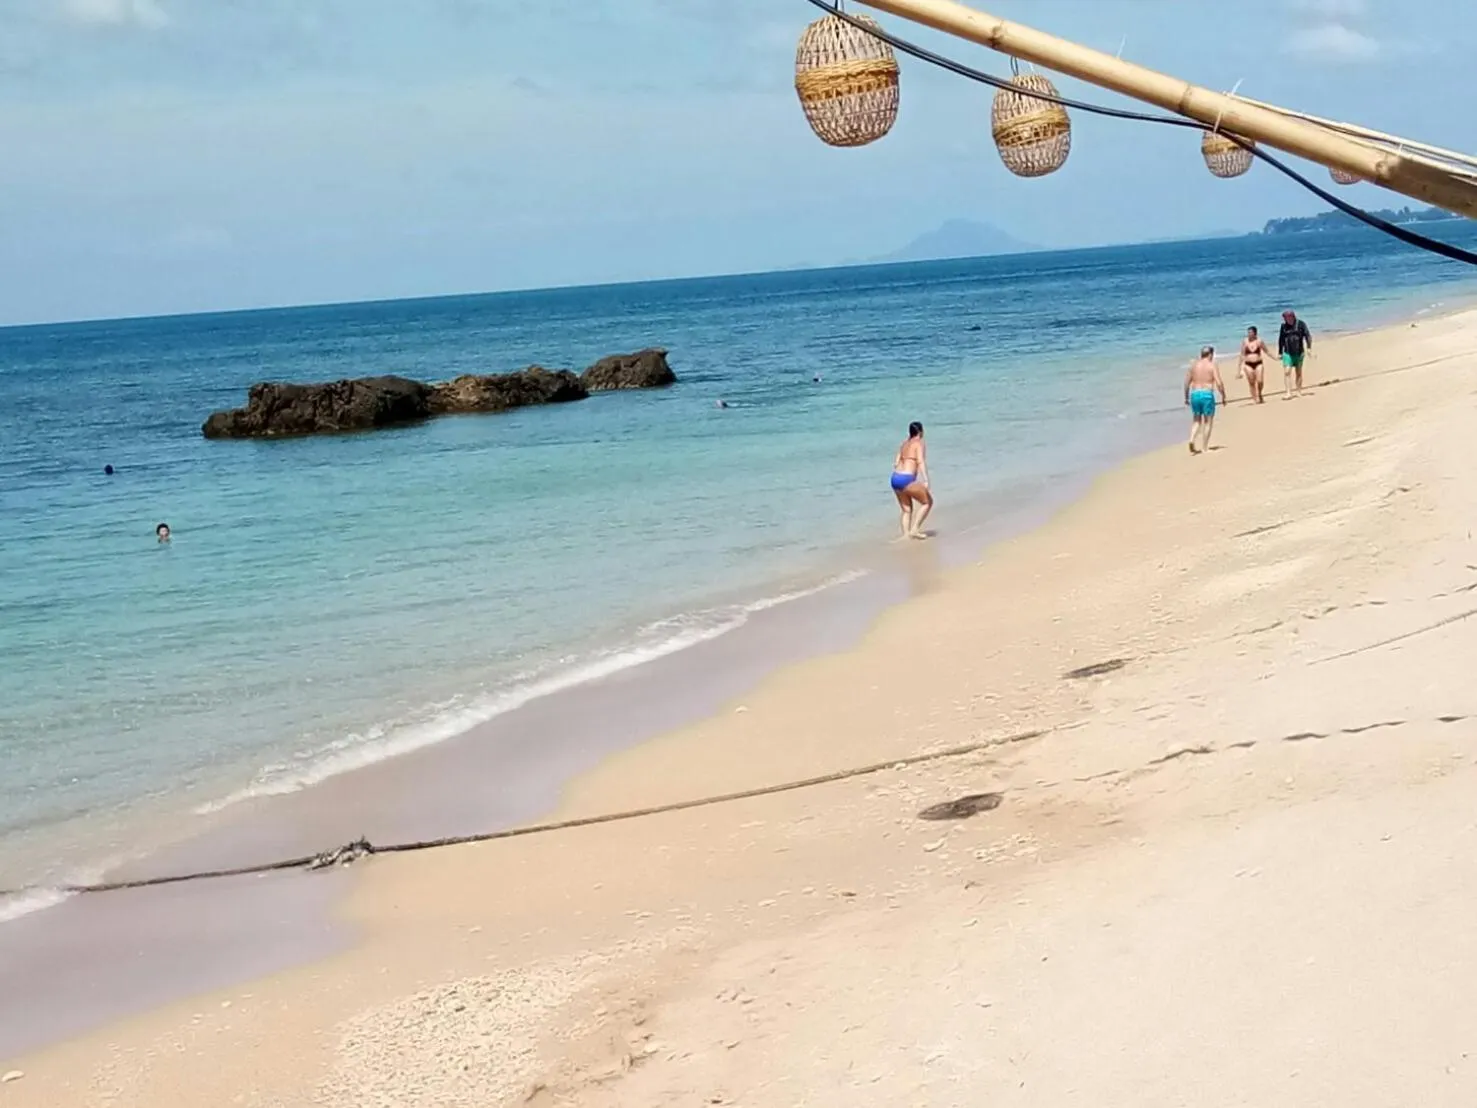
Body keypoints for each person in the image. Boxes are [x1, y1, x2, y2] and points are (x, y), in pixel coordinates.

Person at [890, 421, 933, 540]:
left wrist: (898, 463)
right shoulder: (919, 443)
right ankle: (915, 530)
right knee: (927, 502)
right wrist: (926, 479)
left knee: (906, 510)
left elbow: (896, 460)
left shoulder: (905, 443)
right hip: (906, 478)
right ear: (920, 432)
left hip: (895, 478)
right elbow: (920, 461)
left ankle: (905, 535)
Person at [1184, 346, 1227, 455]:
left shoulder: (1193, 366)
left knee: (1196, 420)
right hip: (1207, 394)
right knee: (1208, 421)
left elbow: (1186, 383)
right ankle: (1204, 447)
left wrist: (1186, 397)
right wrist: (1223, 396)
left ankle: (1192, 439)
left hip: (1194, 394)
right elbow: (1219, 382)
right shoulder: (1212, 365)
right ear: (1210, 354)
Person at [1278, 309, 1313, 398]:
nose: (1287, 319)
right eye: (1285, 317)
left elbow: (1307, 336)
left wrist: (1309, 348)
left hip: (1299, 352)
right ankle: (1288, 393)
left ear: (1293, 316)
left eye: (1289, 317)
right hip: (1287, 352)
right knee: (1287, 372)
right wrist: (1280, 352)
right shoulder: (1283, 326)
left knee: (1298, 372)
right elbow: (1281, 339)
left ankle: (1298, 391)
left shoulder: (1301, 324)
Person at [1237, 325, 1272, 405]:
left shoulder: (1259, 341)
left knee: (1260, 381)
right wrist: (1239, 369)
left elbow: (1267, 351)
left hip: (1258, 363)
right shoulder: (1245, 341)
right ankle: (1254, 398)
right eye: (1248, 332)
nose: (1249, 334)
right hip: (1248, 364)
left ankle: (1259, 393)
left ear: (1255, 333)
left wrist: (1275, 358)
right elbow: (1242, 355)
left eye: (1250, 332)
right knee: (1251, 382)